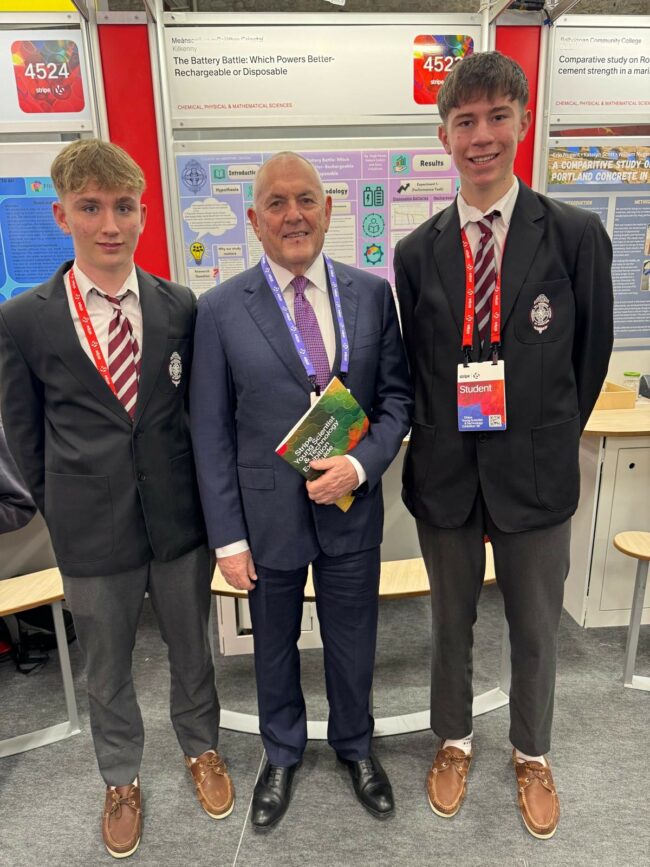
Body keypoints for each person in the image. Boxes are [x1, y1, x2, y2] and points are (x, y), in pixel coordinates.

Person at [394, 52, 613, 840]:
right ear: (444, 135)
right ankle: (453, 740)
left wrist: (542, 437)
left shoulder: (575, 235)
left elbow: (588, 360)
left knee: (535, 626)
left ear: (522, 121)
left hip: (536, 473)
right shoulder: (416, 251)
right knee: (449, 622)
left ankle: (532, 752)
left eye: (496, 117)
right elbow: (419, 367)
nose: (480, 135)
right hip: (446, 472)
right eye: (464, 121)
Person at [0, 139, 233, 859]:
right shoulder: (25, 319)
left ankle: (201, 747)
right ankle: (120, 777)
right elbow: (25, 436)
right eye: (91, 207)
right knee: (106, 666)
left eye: (124, 207)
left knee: (192, 648)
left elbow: (195, 416)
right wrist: (64, 511)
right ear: (61, 214)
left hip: (177, 522)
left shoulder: (179, 305)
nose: (110, 224)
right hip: (89, 530)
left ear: (143, 213)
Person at [190, 152, 412, 829]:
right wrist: (228, 538)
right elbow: (210, 431)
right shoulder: (219, 310)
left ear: (328, 209)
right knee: (274, 646)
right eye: (277, 203)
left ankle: (356, 746)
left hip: (350, 507)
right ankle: (281, 752)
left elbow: (397, 402)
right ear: (254, 219)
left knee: (354, 639)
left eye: (306, 199)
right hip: (265, 518)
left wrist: (361, 465)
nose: (294, 215)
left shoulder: (370, 294)